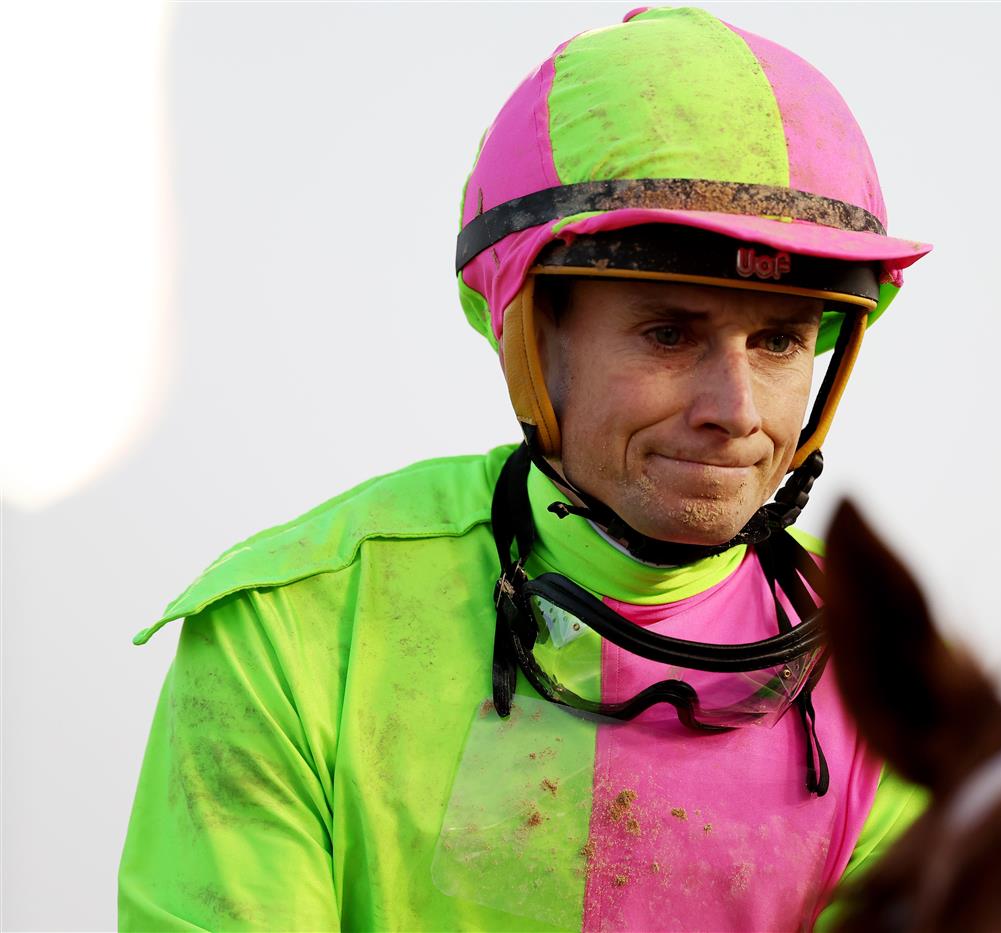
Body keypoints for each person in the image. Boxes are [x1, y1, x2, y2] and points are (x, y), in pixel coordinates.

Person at [119, 7, 932, 931]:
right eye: (668, 334)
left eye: (781, 339)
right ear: (531, 336)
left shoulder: (885, 674)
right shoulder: (292, 626)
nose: (736, 410)